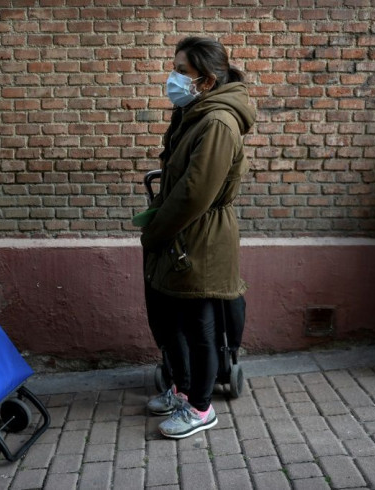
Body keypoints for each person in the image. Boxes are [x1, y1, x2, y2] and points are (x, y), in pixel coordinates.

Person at [140, 37, 256, 439]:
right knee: (174, 317)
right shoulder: (194, 112)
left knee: (200, 324)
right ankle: (183, 390)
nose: (173, 78)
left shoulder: (218, 122)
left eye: (181, 71)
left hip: (201, 235)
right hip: (183, 233)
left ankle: (202, 407)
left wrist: (155, 231)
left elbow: (194, 192)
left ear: (206, 80)